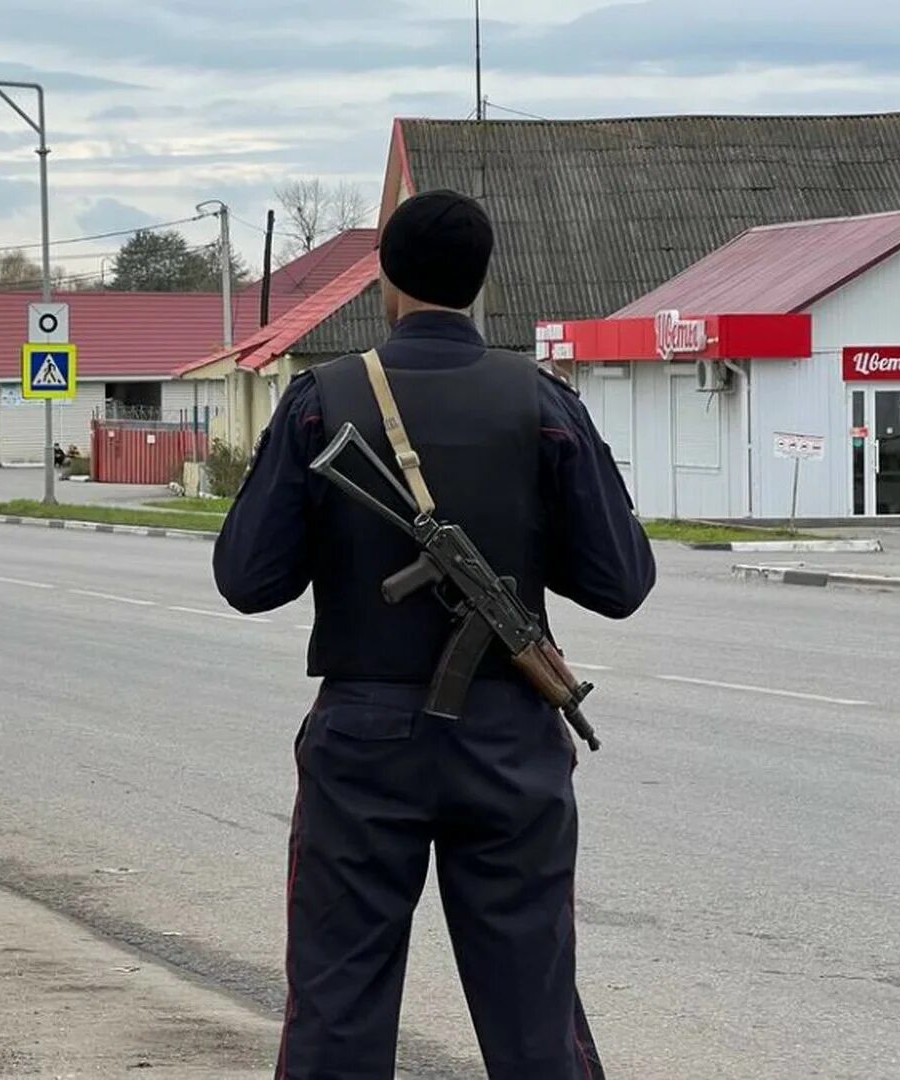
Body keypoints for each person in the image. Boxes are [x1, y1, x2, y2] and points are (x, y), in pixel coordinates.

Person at [213, 189, 655, 1079]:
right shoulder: (541, 401)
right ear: (483, 280)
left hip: (364, 741)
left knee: (337, 1005)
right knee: (533, 1010)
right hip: (508, 742)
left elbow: (248, 580)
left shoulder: (320, 399)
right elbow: (621, 581)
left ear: (385, 277)